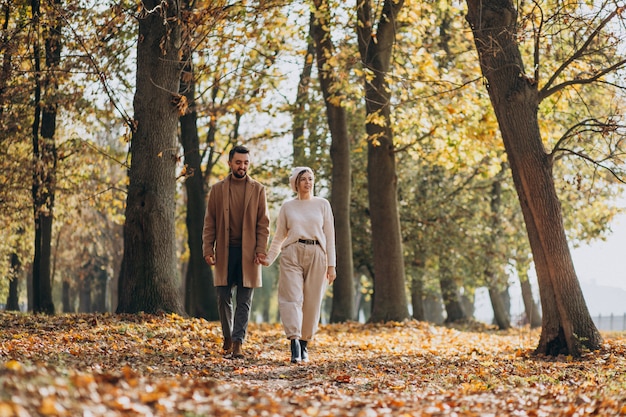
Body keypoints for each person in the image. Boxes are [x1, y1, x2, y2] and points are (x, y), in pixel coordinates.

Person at [202, 145, 270, 359]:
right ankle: (228, 337)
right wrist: (207, 248)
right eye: (238, 162)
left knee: (244, 299)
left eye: (246, 162)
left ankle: (238, 343)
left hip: (249, 254)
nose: (242, 166)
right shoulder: (218, 190)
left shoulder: (258, 190)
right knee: (223, 297)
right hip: (225, 250)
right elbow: (209, 222)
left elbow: (263, 224)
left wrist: (261, 249)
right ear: (230, 163)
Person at [263, 166, 336, 363]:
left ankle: (304, 343)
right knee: (291, 298)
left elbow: (330, 236)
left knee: (312, 302)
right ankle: (294, 341)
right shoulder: (288, 206)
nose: (308, 182)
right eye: (303, 179)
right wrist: (269, 258)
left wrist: (332, 265)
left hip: (317, 254)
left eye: (311, 178)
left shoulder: (323, 204)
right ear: (295, 183)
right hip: (292, 253)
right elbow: (279, 236)